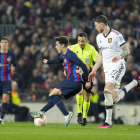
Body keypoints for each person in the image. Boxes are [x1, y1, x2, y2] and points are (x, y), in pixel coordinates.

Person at [88, 15, 140, 128]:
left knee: (107, 90)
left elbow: (127, 51)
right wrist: (94, 70)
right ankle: (135, 82)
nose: (95, 28)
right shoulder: (99, 37)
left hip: (118, 65)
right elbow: (100, 56)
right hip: (107, 69)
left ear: (102, 25)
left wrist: (119, 56)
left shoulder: (116, 35)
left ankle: (108, 122)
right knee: (114, 99)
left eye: (96, 25)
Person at [31, 36, 90, 127]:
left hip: (74, 81)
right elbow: (59, 59)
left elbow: (83, 65)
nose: (55, 47)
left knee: (51, 94)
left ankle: (66, 114)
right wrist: (48, 62)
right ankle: (41, 112)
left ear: (62, 45)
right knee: (54, 97)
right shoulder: (66, 55)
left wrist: (87, 81)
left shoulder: (70, 55)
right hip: (74, 83)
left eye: (57, 45)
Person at [68, 32, 98, 126]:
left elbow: (97, 61)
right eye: (79, 41)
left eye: (83, 41)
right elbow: (65, 58)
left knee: (87, 97)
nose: (81, 43)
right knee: (80, 92)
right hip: (76, 74)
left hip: (87, 75)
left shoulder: (91, 49)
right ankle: (79, 114)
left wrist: (92, 68)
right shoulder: (72, 48)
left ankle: (84, 118)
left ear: (86, 40)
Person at [0, 38, 17, 124]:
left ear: (8, 44)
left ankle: (1, 119)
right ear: (0, 44)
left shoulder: (12, 54)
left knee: (5, 99)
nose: (4, 44)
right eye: (2, 42)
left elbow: (16, 65)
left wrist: (14, 68)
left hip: (6, 79)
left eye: (5, 42)